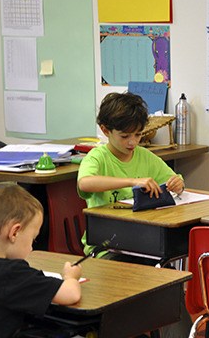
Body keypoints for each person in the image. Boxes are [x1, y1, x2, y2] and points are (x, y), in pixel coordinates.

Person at [77, 92, 191, 337]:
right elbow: (85, 183)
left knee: (170, 287)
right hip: (108, 248)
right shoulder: (98, 156)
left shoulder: (144, 156)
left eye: (138, 135)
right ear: (105, 130)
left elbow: (175, 179)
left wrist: (177, 183)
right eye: (125, 136)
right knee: (135, 290)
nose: (132, 142)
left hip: (144, 245)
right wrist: (131, 180)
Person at [0, 181, 82, 338]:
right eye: (33, 239)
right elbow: (70, 295)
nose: (32, 248)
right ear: (15, 232)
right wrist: (71, 277)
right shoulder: (10, 273)